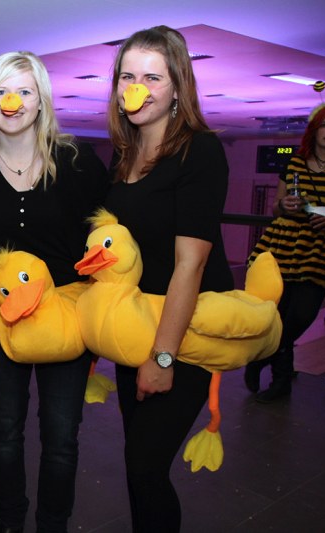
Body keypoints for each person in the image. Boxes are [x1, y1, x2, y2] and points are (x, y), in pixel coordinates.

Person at [0, 51, 109, 533]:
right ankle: (9, 521)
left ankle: (52, 524)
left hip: (66, 316)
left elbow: (105, 236)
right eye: (2, 91)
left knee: (61, 436)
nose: (13, 102)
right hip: (3, 321)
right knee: (5, 431)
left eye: (25, 91)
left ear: (42, 100)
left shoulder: (77, 161)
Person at [103, 26, 232, 533]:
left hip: (182, 332)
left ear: (178, 86)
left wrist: (163, 358)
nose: (137, 88)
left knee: (145, 465)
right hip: (138, 325)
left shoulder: (200, 152)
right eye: (127, 76)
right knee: (137, 463)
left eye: (152, 78)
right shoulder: (123, 154)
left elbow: (190, 265)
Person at [244, 103, 325, 402]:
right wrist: (284, 205)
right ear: (314, 130)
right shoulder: (295, 164)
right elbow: (276, 207)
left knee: (301, 315)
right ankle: (281, 380)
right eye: (324, 125)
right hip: (284, 244)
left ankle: (261, 356)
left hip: (321, 250)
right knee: (277, 313)